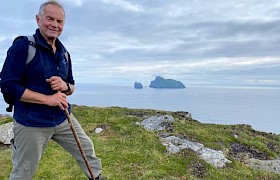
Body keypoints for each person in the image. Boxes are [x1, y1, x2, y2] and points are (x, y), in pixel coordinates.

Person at [0, 1, 102, 179]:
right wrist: (48, 99)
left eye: (59, 21)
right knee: (23, 171)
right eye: (50, 19)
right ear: (38, 19)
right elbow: (8, 85)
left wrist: (65, 86)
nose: (55, 25)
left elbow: (71, 86)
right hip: (31, 123)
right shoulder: (23, 47)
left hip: (62, 118)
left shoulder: (64, 53)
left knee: (87, 152)